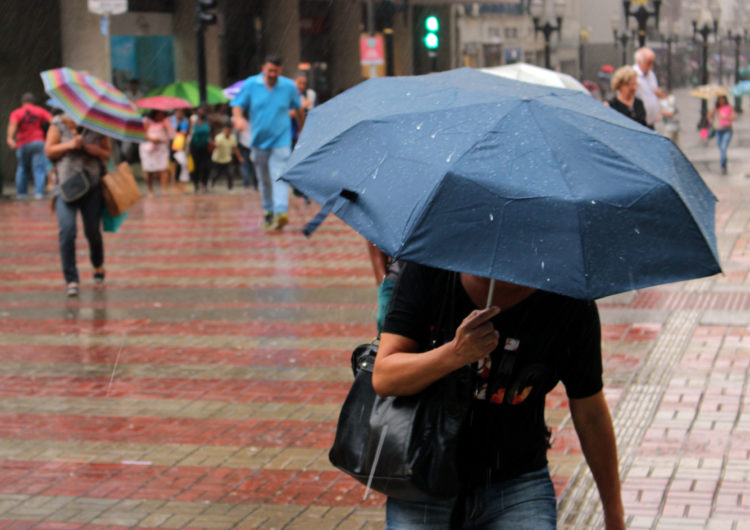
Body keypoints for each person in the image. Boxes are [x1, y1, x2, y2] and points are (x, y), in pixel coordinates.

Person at [374, 264, 625, 529]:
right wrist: (455, 354)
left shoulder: (569, 301)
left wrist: (614, 513)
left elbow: (590, 413)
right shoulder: (431, 270)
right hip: (422, 472)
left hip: (518, 483)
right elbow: (385, 377)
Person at [231, 54, 305, 230]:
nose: (272, 74)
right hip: (258, 141)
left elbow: (299, 108)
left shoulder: (288, 87)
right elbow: (237, 105)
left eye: (276, 71)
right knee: (264, 179)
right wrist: (238, 118)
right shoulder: (250, 85)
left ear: (280, 71)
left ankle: (281, 211)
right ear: (263, 68)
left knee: (279, 174)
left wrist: (303, 128)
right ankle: (269, 210)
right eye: (270, 70)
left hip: (281, 140)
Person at [45, 114, 111, 297]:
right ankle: (71, 280)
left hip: (92, 187)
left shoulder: (99, 125)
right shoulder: (58, 123)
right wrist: (70, 145)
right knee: (67, 231)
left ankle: (98, 264)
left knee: (92, 232)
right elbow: (49, 150)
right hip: (65, 188)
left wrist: (95, 151)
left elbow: (107, 153)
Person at [6, 93, 52, 199]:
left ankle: (21, 194)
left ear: (22, 102)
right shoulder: (40, 110)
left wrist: (10, 138)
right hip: (38, 142)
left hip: (23, 143)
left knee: (22, 168)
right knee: (39, 168)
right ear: (33, 102)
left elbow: (13, 125)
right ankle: (39, 193)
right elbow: (52, 120)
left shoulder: (17, 112)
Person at [138, 110, 175, 197]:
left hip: (161, 148)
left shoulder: (166, 123)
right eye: (158, 114)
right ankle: (150, 190)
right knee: (149, 170)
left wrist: (167, 127)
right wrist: (153, 140)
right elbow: (144, 133)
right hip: (149, 148)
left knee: (164, 169)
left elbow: (171, 135)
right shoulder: (147, 121)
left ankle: (164, 190)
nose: (160, 116)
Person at [633, 47, 667, 129]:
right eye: (648, 63)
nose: (651, 67)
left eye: (652, 63)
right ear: (639, 62)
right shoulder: (633, 75)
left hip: (652, 120)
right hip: (639, 120)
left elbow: (654, 91)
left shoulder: (651, 74)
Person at [706, 94, 737, 175]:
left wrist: (725, 117)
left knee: (723, 147)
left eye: (722, 99)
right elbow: (708, 116)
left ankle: (723, 164)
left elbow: (735, 117)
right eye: (720, 100)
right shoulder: (716, 108)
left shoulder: (729, 107)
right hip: (718, 130)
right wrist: (713, 111)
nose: (721, 101)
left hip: (727, 129)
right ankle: (724, 160)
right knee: (721, 147)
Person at [210, 122, 244, 190]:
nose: (227, 131)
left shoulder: (232, 138)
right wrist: (214, 145)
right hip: (217, 159)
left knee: (230, 173)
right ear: (223, 130)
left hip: (227, 159)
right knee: (216, 174)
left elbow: (235, 148)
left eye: (229, 130)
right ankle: (212, 183)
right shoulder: (219, 137)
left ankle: (230, 188)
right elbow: (215, 146)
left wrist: (240, 157)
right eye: (226, 130)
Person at [189, 106, 212, 193]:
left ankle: (204, 183)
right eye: (201, 109)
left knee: (206, 166)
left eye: (204, 110)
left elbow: (211, 131)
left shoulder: (208, 120)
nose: (202, 111)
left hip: (205, 146)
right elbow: (188, 132)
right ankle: (196, 184)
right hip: (194, 146)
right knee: (196, 166)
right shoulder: (193, 119)